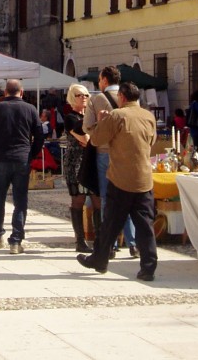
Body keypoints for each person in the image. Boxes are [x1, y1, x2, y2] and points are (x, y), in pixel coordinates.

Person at [77, 81, 158, 281]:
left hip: (121, 178)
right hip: (144, 179)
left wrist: (101, 121)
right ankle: (148, 267)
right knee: (145, 226)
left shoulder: (117, 115)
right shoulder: (148, 116)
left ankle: (100, 260)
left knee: (110, 223)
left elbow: (95, 140)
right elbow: (152, 141)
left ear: (121, 97)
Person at [0, 78, 44, 254]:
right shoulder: (31, 109)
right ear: (21, 92)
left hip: (1, 157)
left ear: (5, 92)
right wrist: (31, 154)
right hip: (22, 159)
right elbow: (40, 136)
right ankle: (16, 240)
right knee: (20, 200)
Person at [83, 66, 138, 259]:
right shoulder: (131, 98)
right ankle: (133, 243)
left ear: (104, 81)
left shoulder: (97, 99)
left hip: (105, 152)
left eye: (100, 79)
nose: (99, 83)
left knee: (108, 198)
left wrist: (102, 129)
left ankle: (112, 244)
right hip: (127, 153)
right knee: (129, 197)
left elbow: (87, 127)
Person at [63, 84, 95, 253]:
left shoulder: (90, 117)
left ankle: (100, 240)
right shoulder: (70, 117)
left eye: (86, 95)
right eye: (79, 95)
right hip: (76, 163)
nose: (83, 98)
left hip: (91, 161)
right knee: (78, 199)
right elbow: (86, 139)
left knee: (97, 200)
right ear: (72, 97)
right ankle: (80, 240)